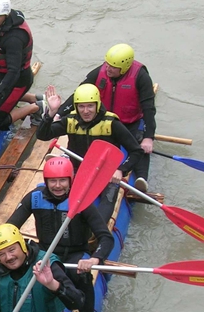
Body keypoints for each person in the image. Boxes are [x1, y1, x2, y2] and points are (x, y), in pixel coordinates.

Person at [7, 156, 114, 312]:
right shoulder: (34, 197)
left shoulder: (82, 201)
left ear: (71, 180)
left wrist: (94, 258)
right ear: (46, 181)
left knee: (81, 278)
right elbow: (10, 228)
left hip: (75, 255)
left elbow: (106, 237)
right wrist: (22, 251)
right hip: (46, 252)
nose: (58, 186)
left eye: (63, 180)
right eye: (53, 181)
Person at [55, 44, 156, 192]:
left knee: (139, 145)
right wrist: (59, 114)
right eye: (107, 64)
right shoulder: (101, 72)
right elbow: (78, 94)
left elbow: (149, 109)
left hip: (131, 122)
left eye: (113, 67)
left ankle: (141, 178)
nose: (107, 68)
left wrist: (149, 137)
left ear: (125, 67)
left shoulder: (141, 77)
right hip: (106, 122)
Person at [36, 83, 144, 222]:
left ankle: (96, 232)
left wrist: (121, 170)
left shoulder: (111, 123)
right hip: (78, 169)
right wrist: (50, 113)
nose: (86, 111)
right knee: (59, 195)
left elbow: (136, 151)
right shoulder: (70, 120)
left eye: (90, 106)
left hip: (106, 173)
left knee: (108, 198)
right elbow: (42, 135)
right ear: (76, 107)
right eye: (81, 106)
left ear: (97, 105)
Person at [0, 0, 42, 131]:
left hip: (18, 80)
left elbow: (14, 72)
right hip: (3, 74)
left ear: (6, 15)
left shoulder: (14, 39)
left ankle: (36, 107)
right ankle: (32, 97)